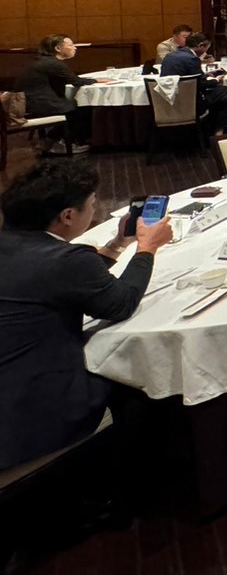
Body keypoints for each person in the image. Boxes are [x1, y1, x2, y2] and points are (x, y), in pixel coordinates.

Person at [0, 158, 172, 471]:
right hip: (29, 418)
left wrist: (117, 244)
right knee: (137, 376)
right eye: (92, 204)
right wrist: (147, 247)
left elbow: (58, 280)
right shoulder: (66, 260)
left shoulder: (13, 243)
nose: (94, 210)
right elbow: (120, 303)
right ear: (67, 216)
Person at [15, 34, 95, 152]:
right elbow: (76, 81)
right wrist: (98, 80)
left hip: (29, 101)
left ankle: (61, 140)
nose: (75, 48)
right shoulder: (54, 64)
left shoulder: (44, 61)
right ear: (58, 48)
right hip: (37, 103)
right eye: (71, 45)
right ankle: (57, 141)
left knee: (77, 107)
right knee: (81, 108)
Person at [161, 32, 227, 135]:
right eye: (207, 48)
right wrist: (216, 80)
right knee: (224, 90)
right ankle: (221, 129)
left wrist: (205, 75)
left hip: (169, 102)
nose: (206, 52)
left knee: (224, 99)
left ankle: (221, 128)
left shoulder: (169, 56)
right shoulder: (192, 59)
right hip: (190, 104)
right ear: (201, 46)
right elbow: (201, 84)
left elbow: (186, 76)